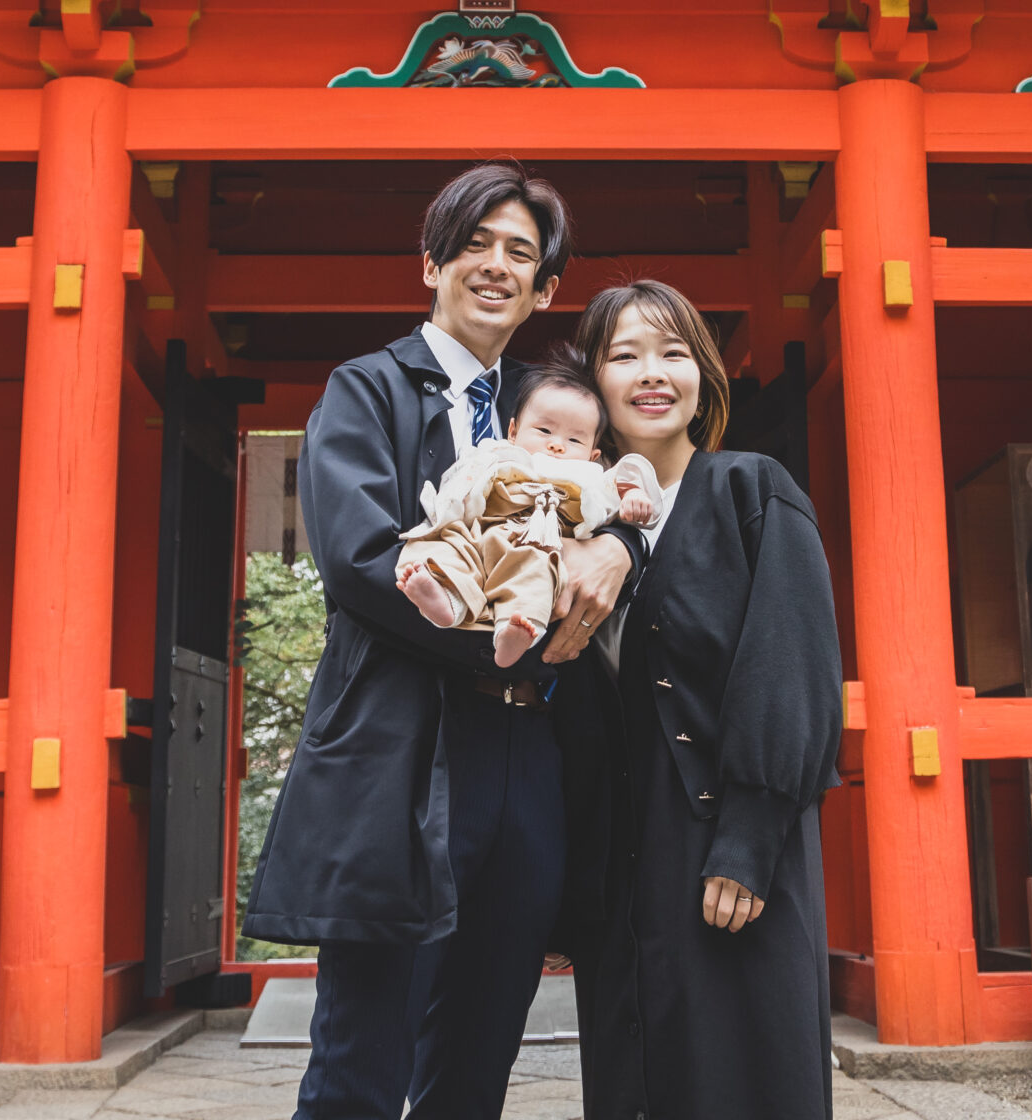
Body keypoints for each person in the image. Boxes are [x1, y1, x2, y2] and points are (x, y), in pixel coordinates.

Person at [241, 163, 645, 1120]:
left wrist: (622, 547)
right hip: (403, 745)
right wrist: (519, 640)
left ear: (545, 289)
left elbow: (630, 493)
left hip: (525, 753)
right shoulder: (367, 389)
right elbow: (359, 562)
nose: (496, 265)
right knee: (362, 1060)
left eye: (521, 253)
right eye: (475, 244)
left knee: (481, 1050)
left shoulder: (552, 408)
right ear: (432, 263)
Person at [553, 279, 845, 1120]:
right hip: (624, 854)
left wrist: (749, 838)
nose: (652, 373)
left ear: (704, 377)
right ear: (593, 383)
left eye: (673, 352)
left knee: (743, 1074)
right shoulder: (573, 523)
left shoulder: (753, 490)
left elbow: (792, 670)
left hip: (729, 841)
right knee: (637, 1077)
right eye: (625, 355)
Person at [397, 351, 662, 667]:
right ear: (512, 432)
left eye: (574, 440)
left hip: (536, 543)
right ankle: (446, 599)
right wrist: (449, 510)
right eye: (544, 431)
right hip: (481, 533)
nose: (557, 444)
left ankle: (515, 632)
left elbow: (625, 478)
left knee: (536, 573)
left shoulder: (589, 477)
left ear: (593, 455)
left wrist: (633, 496)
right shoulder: (498, 454)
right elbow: (460, 481)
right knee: (444, 542)